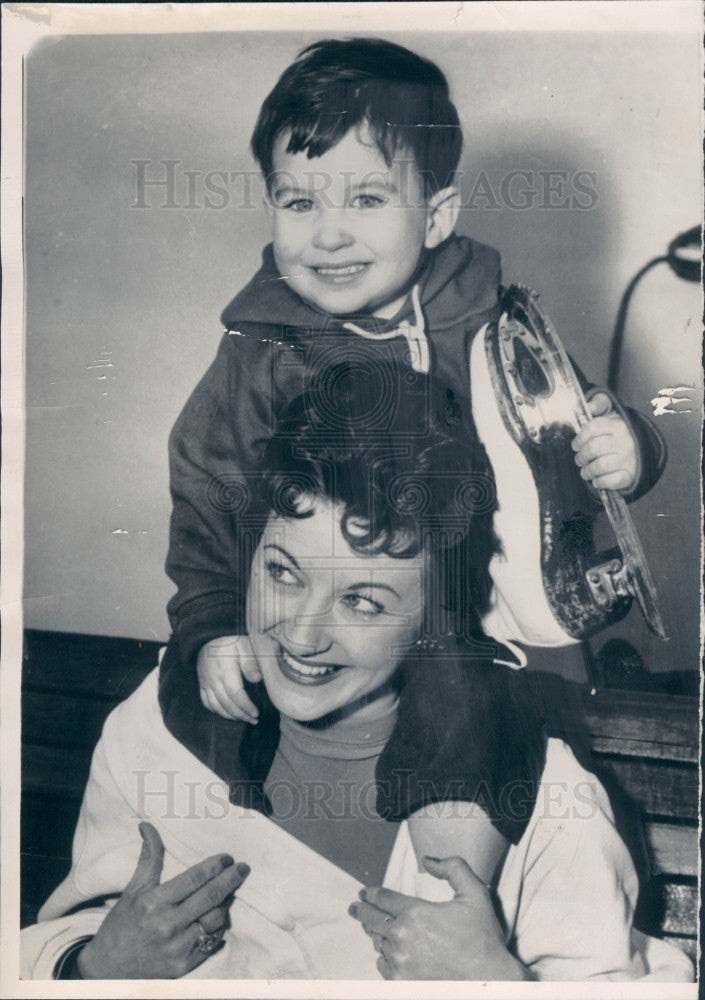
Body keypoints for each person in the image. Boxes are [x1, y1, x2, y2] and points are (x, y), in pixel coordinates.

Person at [21, 376, 691, 981]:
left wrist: (490, 982)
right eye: (282, 573)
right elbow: (69, 934)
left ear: (434, 613)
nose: (303, 636)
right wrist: (92, 968)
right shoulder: (165, 727)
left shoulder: (545, 806)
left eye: (361, 601)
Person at [162, 36, 665, 746]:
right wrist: (210, 623)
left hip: (483, 632)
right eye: (298, 202)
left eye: (366, 199)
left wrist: (629, 449)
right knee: (209, 731)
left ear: (435, 216)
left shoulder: (491, 324)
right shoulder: (262, 351)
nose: (329, 234)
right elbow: (205, 490)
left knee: (507, 757)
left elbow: (568, 427)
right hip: (327, 641)